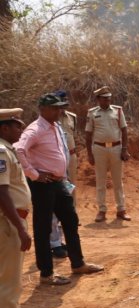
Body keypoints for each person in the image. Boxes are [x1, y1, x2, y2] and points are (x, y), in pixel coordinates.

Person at [16, 93, 103, 285]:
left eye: (60, 107)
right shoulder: (36, 129)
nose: (59, 111)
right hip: (42, 184)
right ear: (43, 109)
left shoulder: (55, 126)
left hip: (58, 182)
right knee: (43, 227)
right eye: (55, 108)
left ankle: (78, 264)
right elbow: (18, 149)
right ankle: (46, 273)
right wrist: (34, 174)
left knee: (71, 221)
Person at [0, 108, 43, 308]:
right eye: (16, 125)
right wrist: (20, 228)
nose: (20, 129)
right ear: (4, 127)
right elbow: (2, 192)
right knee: (10, 282)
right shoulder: (2, 151)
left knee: (7, 279)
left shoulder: (7, 149)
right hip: (9, 223)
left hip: (11, 220)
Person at [85, 86, 130, 222]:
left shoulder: (117, 110)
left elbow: (124, 130)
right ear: (98, 99)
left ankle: (121, 209)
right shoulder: (92, 113)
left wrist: (124, 149)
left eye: (109, 98)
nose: (107, 101)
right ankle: (101, 210)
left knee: (118, 181)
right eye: (104, 99)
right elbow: (88, 134)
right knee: (101, 181)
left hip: (116, 148)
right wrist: (89, 154)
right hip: (99, 149)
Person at [50, 90, 78, 258]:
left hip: (68, 160)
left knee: (68, 193)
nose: (62, 108)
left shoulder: (68, 119)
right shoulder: (45, 125)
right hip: (54, 169)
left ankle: (59, 237)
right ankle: (54, 243)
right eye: (59, 105)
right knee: (53, 206)